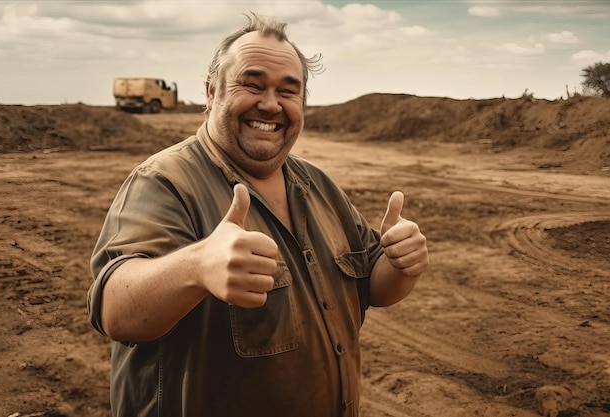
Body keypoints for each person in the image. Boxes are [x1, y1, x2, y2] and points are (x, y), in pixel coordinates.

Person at [88, 11, 428, 417]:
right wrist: (195, 267)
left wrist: (400, 264)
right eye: (251, 85)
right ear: (212, 93)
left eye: (288, 91)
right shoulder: (164, 182)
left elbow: (375, 288)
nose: (270, 105)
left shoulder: (317, 184)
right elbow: (115, 311)